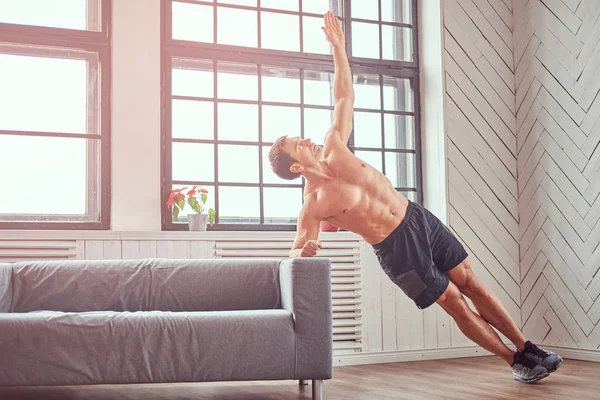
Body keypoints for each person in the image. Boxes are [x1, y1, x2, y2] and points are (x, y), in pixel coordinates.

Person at [268, 11, 562, 384]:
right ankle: (514, 361)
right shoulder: (314, 204)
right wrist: (304, 252)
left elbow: (344, 94)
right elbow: (296, 248)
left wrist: (338, 48)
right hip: (395, 249)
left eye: (300, 137)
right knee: (454, 301)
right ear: (295, 167)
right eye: (299, 145)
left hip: (415, 217)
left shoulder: (334, 146)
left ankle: (527, 346)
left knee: (470, 281)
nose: (306, 140)